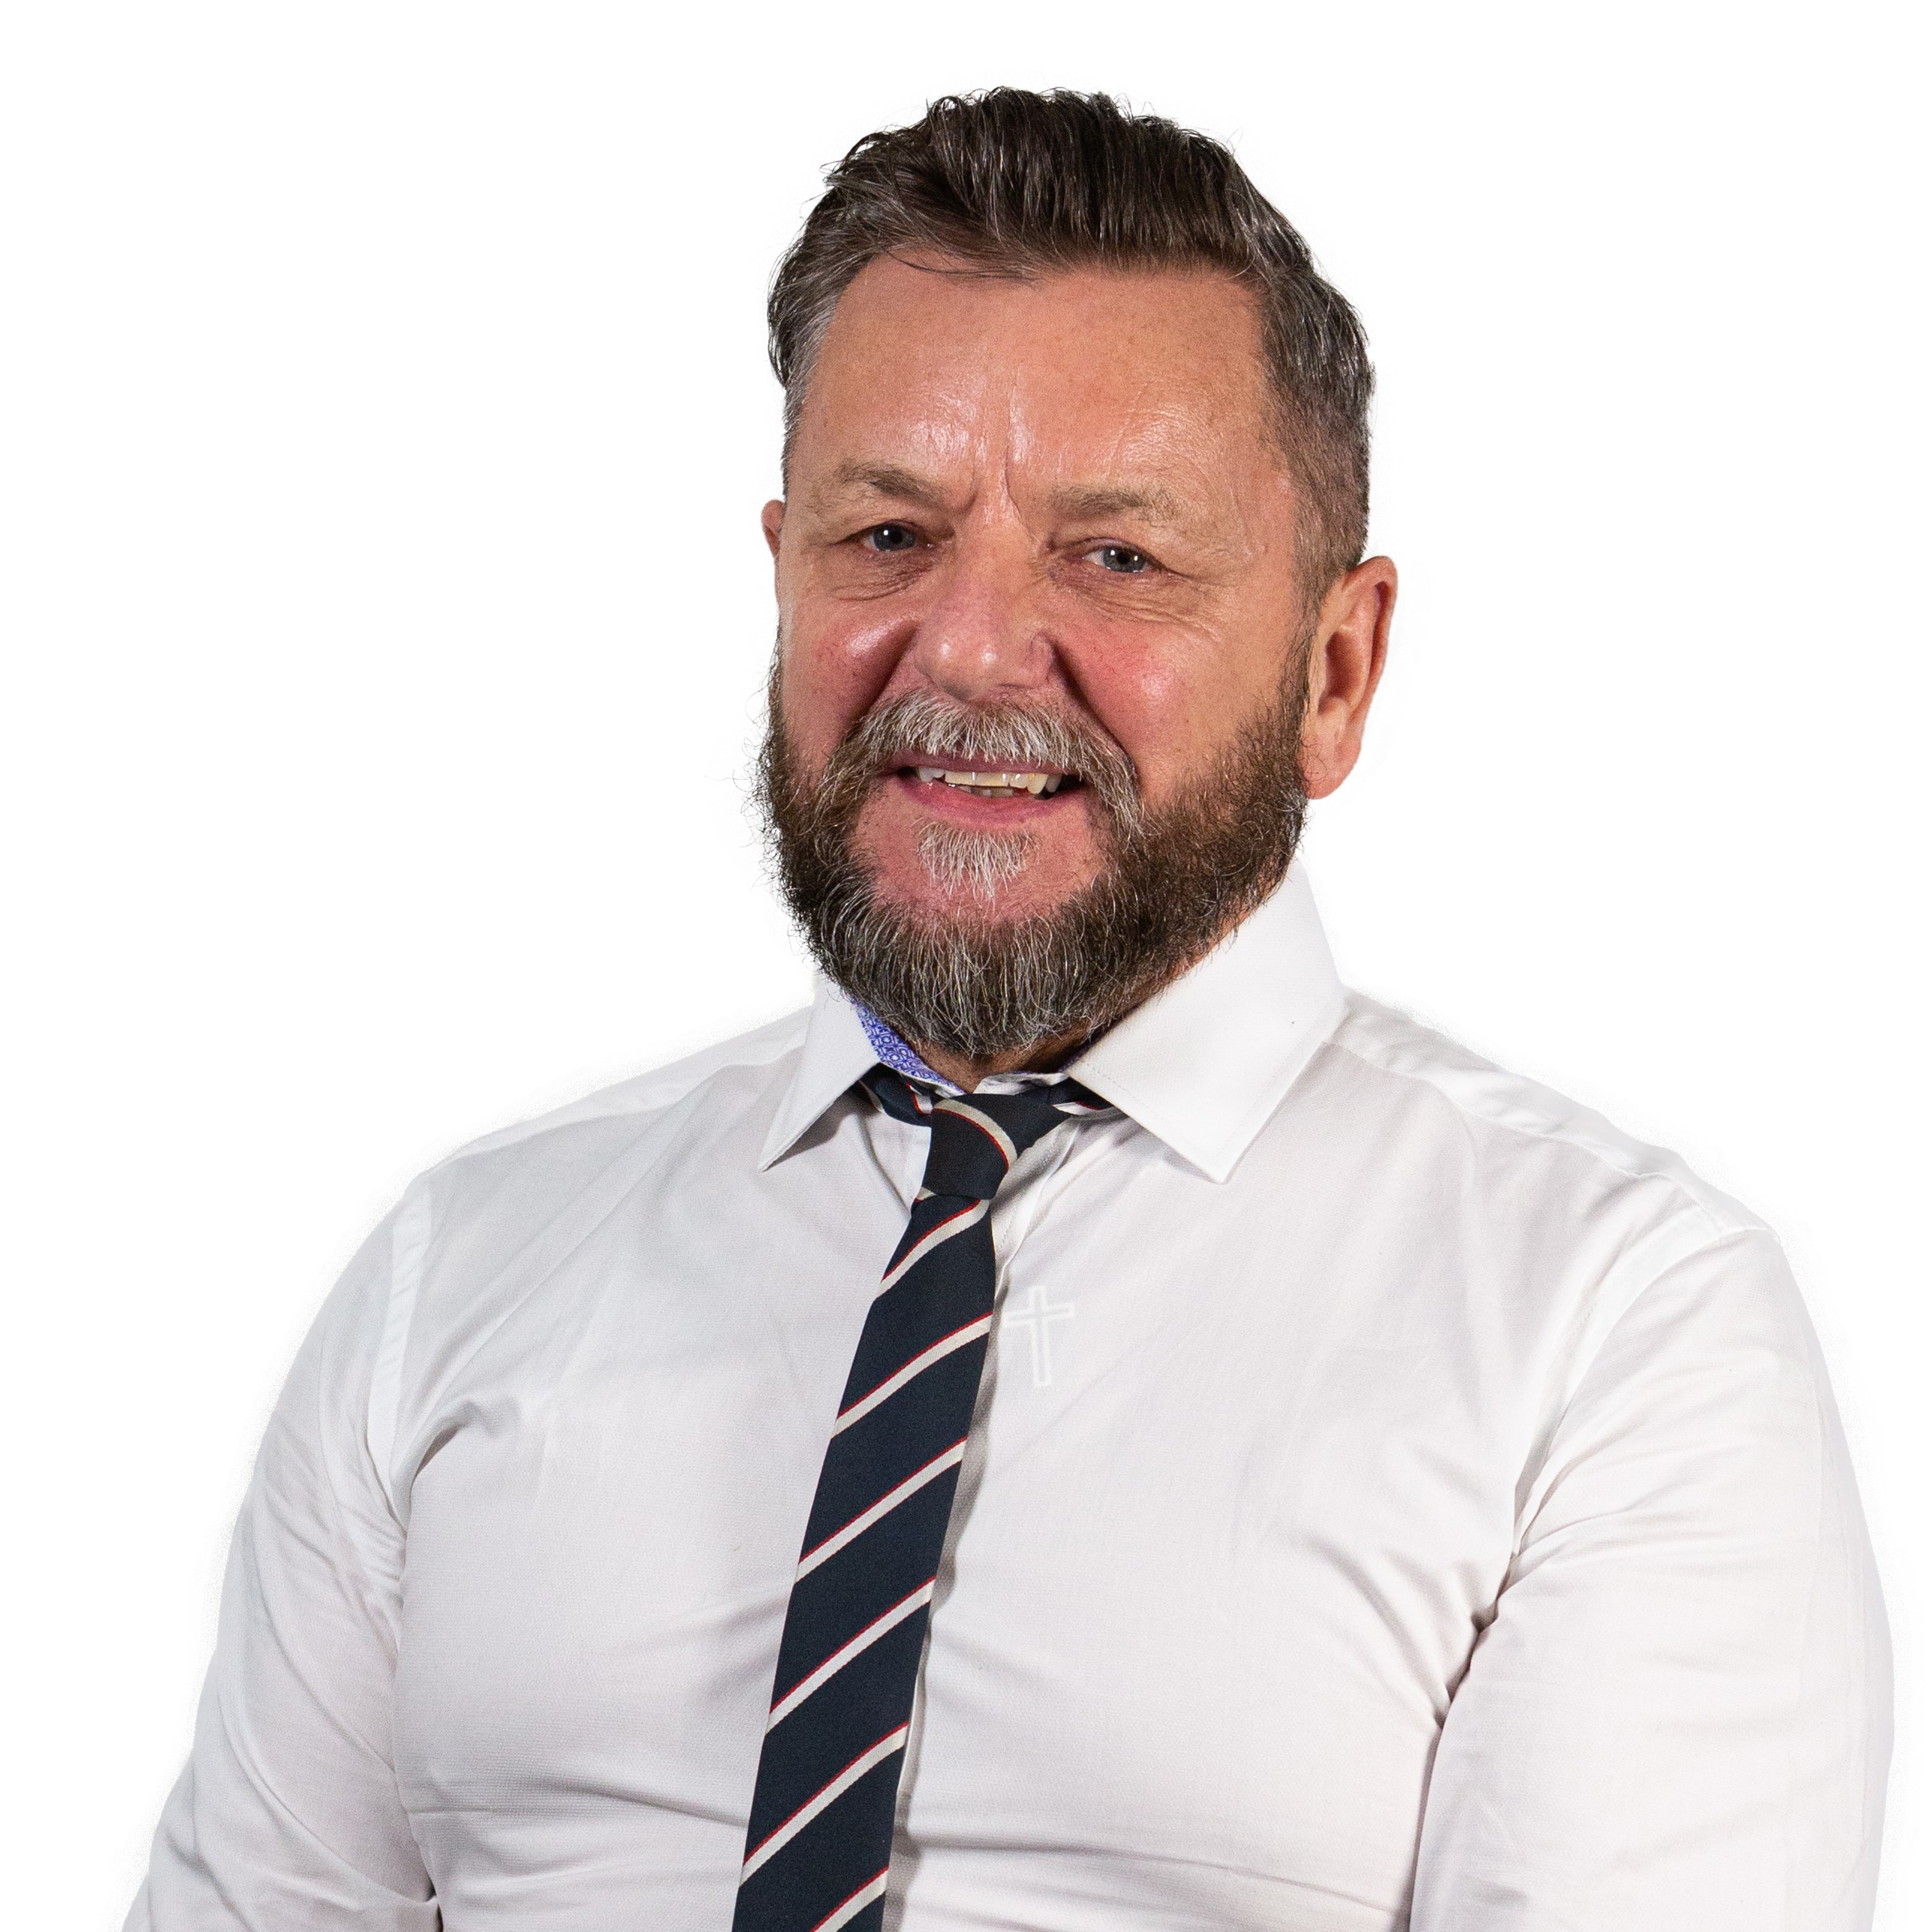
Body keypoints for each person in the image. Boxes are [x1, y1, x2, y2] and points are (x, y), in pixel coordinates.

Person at [127, 88, 1890, 1932]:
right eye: (888, 533)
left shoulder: (1611, 1327)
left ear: (1334, 670)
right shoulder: (459, 1272)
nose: (966, 648)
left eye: (1114, 556)